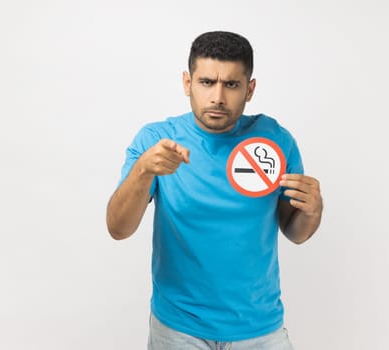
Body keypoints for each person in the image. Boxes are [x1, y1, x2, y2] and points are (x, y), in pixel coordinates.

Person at [106, 31, 323, 350]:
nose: (218, 97)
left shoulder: (274, 141)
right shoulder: (158, 139)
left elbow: (296, 232)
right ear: (187, 83)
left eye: (231, 85)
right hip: (179, 326)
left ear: (250, 89)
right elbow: (118, 228)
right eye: (207, 82)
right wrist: (142, 171)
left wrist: (313, 210)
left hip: (259, 327)